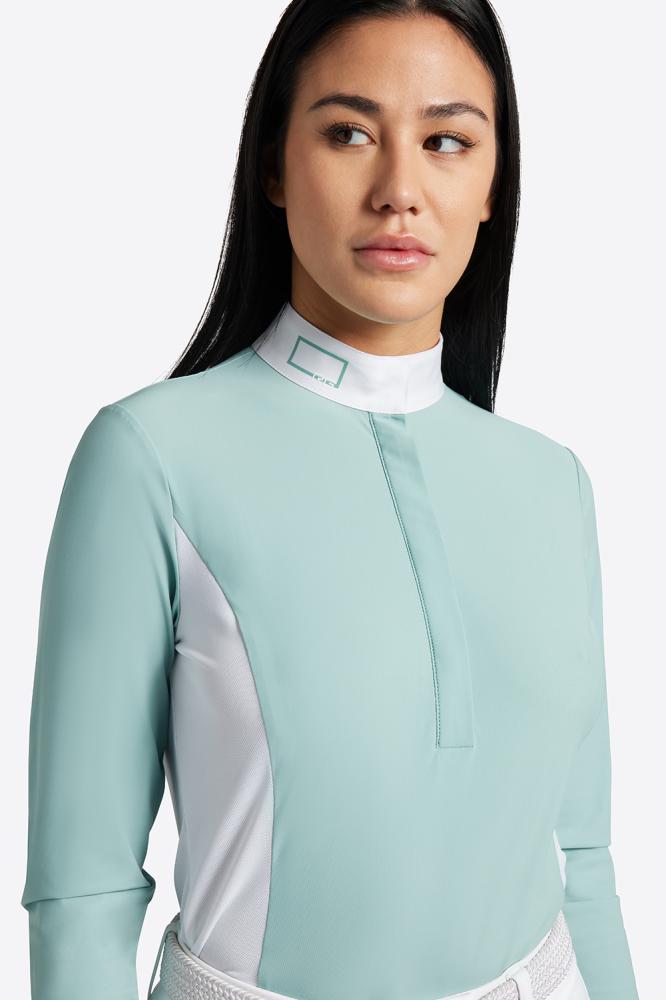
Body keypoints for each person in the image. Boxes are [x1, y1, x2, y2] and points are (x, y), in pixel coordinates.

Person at [20, 2, 640, 999]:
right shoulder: (150, 458)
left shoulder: (553, 483)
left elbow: (585, 859)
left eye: (447, 141)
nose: (400, 191)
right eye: (349, 133)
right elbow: (83, 891)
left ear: (494, 184)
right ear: (274, 164)